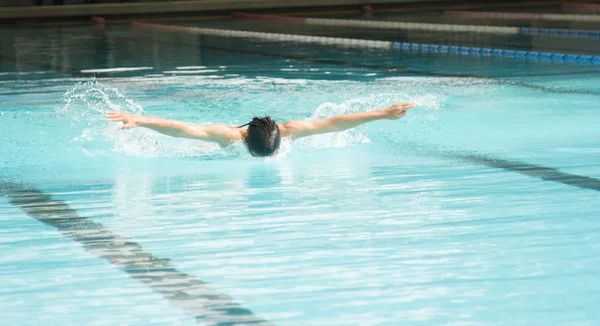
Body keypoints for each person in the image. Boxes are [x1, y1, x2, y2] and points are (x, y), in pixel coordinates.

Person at [105, 102, 416, 157]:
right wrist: (140, 120)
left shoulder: (291, 130)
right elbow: (184, 130)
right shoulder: (227, 136)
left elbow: (334, 123)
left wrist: (382, 114)